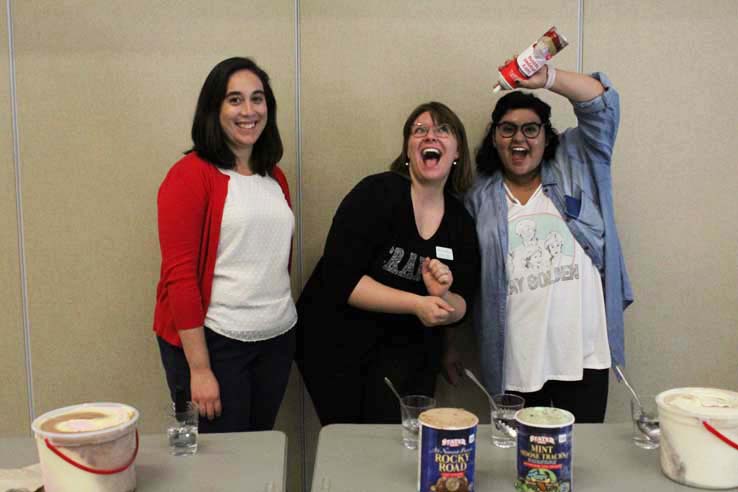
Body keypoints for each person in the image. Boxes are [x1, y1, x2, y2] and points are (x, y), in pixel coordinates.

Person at [465, 64, 633, 423]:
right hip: (516, 362)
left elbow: (603, 104)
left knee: (580, 462)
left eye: (530, 129)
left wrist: (548, 79)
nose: (519, 139)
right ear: (494, 137)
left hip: (584, 356)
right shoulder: (478, 199)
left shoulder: (577, 164)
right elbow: (466, 278)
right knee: (520, 467)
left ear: (546, 135)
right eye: (507, 129)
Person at [296, 102, 480, 425]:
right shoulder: (375, 194)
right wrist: (419, 303)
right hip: (336, 343)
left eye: (442, 130)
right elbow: (343, 281)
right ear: (408, 150)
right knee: (355, 446)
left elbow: (463, 303)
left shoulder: (460, 222)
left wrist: (444, 296)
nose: (429, 137)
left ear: (457, 153)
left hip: (409, 353)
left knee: (401, 446)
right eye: (419, 130)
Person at [153, 57, 296, 432]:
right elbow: (179, 278)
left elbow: (273, 260)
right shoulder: (189, 176)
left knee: (260, 455)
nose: (249, 111)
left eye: (257, 99)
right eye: (235, 100)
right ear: (213, 109)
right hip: (215, 346)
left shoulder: (274, 176)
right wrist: (199, 369)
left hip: (275, 341)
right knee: (222, 468)